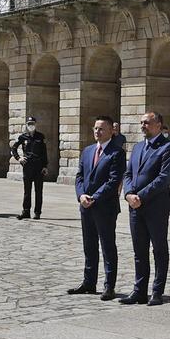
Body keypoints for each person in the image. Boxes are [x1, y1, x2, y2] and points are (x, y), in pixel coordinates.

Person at [67, 116, 126, 300]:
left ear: (111, 131)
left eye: (101, 129)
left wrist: (94, 197)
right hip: (86, 206)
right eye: (95, 128)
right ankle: (89, 282)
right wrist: (81, 195)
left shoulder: (117, 153)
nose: (97, 132)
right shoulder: (87, 151)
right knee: (89, 246)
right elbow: (79, 177)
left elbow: (113, 180)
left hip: (104, 207)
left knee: (107, 246)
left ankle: (109, 285)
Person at [122, 112, 170, 305]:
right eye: (141, 123)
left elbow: (164, 178)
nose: (143, 125)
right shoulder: (137, 147)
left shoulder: (167, 147)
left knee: (159, 249)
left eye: (147, 122)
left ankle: (157, 291)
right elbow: (128, 173)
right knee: (139, 250)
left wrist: (140, 196)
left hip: (155, 207)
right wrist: (129, 194)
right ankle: (139, 290)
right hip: (135, 207)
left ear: (158, 124)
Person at [14, 117, 51, 220]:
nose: (31, 125)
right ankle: (26, 211)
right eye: (29, 123)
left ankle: (37, 212)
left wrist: (45, 166)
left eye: (32, 123)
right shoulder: (23, 137)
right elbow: (14, 148)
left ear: (35, 124)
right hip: (27, 166)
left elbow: (44, 152)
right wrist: (19, 158)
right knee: (27, 190)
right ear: (26, 124)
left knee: (38, 191)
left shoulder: (40, 136)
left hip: (38, 166)